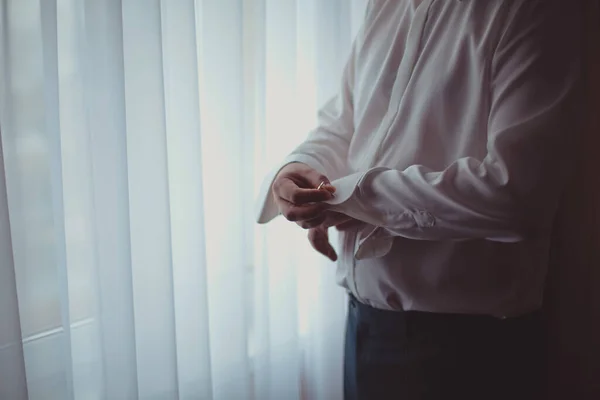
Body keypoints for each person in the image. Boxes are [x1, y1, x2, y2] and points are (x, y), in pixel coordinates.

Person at [255, 0, 582, 399]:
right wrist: (303, 167)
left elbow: (515, 194)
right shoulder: (386, 5)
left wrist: (353, 198)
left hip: (467, 351)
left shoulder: (536, 11)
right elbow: (344, 124)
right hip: (363, 326)